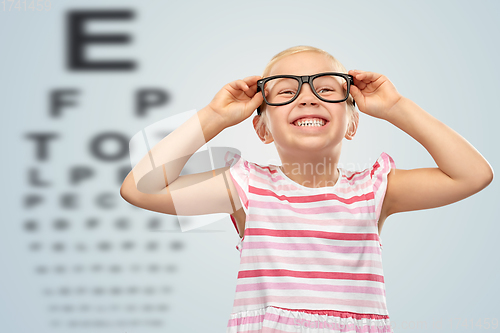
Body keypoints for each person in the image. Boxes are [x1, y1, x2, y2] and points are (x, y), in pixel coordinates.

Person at [120, 45, 494, 332]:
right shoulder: (247, 187)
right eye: (285, 92)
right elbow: (141, 189)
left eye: (326, 88)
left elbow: (472, 175)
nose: (307, 96)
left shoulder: (374, 190)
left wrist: (396, 106)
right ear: (262, 129)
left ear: (352, 123)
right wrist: (214, 117)